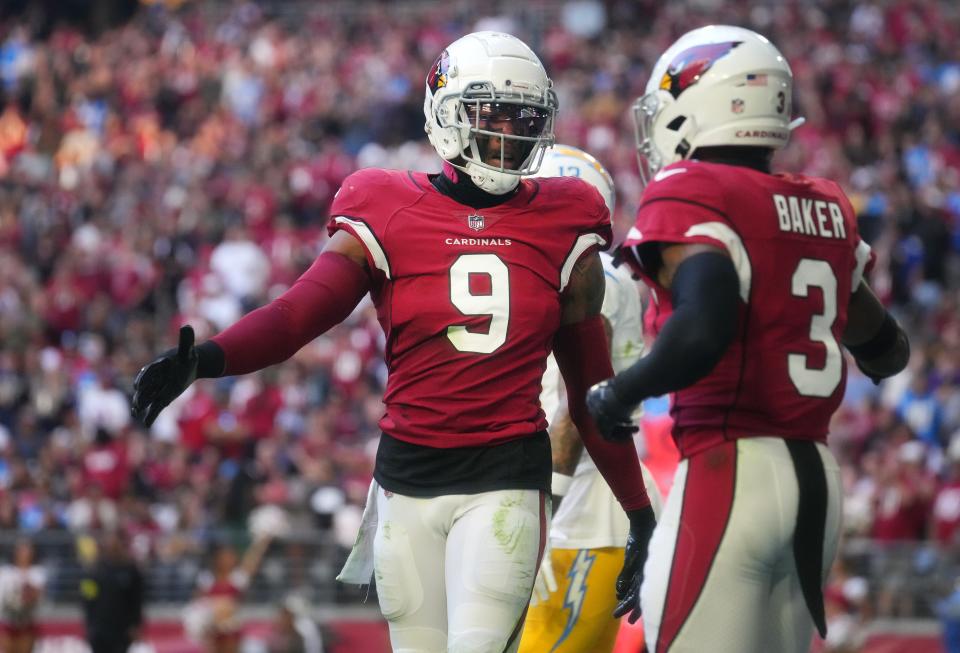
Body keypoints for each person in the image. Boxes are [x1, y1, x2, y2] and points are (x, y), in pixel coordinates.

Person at [131, 31, 654, 653]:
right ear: (447, 113)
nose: (513, 135)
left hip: (505, 476)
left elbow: (590, 390)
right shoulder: (384, 203)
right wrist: (208, 359)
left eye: (526, 119)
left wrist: (638, 510)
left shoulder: (565, 215)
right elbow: (300, 313)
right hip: (406, 479)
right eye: (496, 116)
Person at [585, 25, 910, 653]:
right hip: (818, 478)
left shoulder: (694, 189)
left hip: (732, 468)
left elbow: (704, 328)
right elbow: (887, 350)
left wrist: (618, 394)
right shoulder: (825, 205)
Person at [519, 145, 663, 653]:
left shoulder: (591, 272)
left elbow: (572, 409)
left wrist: (540, 517)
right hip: (582, 515)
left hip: (582, 521)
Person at [79, 530, 145, 653]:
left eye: (115, 542)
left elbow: (137, 600)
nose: (112, 545)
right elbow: (87, 599)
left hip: (122, 630)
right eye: (109, 542)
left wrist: (135, 625)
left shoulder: (131, 570)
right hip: (99, 629)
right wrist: (89, 625)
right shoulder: (94, 571)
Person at [0, 539, 46, 653]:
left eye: (27, 550)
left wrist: (29, 594)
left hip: (27, 622)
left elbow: (38, 595)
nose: (25, 554)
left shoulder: (37, 572)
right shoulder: (6, 572)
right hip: (8, 621)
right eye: (22, 550)